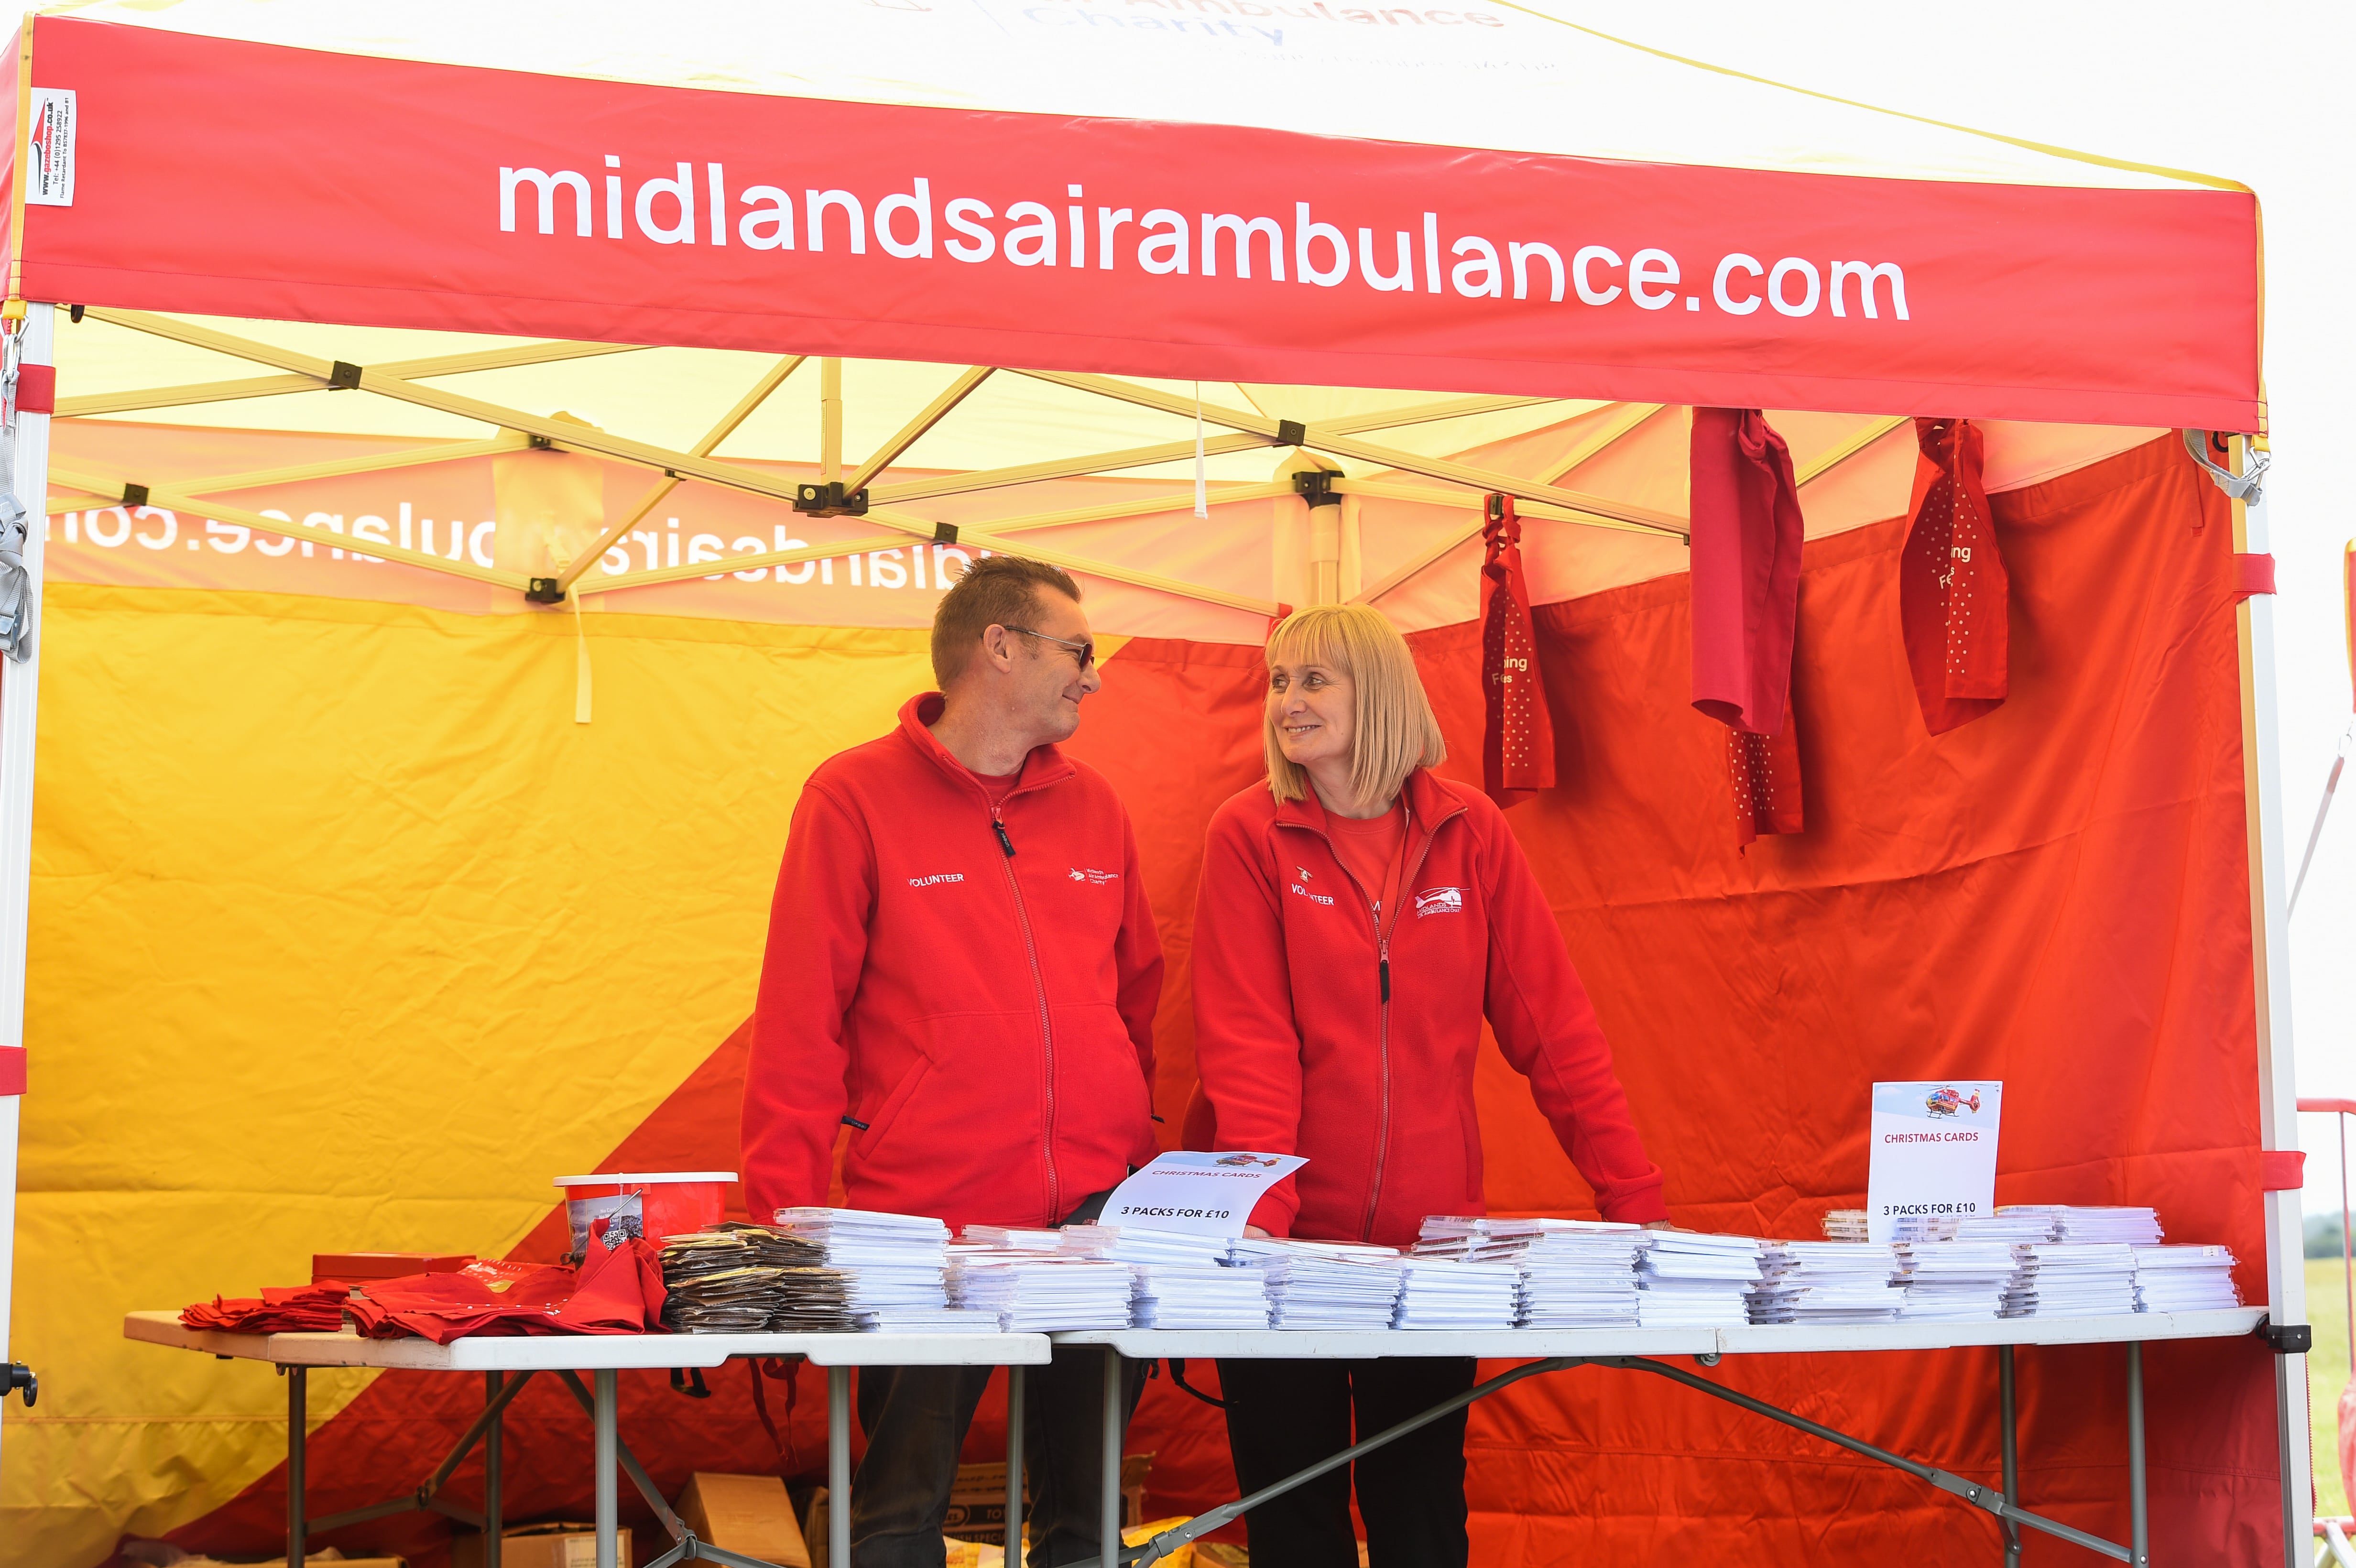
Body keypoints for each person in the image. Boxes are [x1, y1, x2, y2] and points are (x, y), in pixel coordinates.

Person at [1188, 602, 1669, 1568]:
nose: (1288, 701)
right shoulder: (1247, 834)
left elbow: (1555, 1029)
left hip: (1430, 1257)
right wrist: (1263, 1242)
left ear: (1381, 693)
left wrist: (1633, 1202)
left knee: (1420, 1524)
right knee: (1297, 1533)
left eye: (1314, 679)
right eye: (1279, 681)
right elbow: (1249, 1047)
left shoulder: (1470, 831)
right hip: (1288, 1252)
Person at [741, 555, 1162, 1568]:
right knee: (895, 1520)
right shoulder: (851, 795)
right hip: (920, 1225)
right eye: (1078, 651)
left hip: (1092, 1222)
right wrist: (779, 1238)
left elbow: (1137, 993)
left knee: (1085, 1526)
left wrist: (1142, 1165)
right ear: (1000, 646)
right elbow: (800, 1022)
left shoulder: (1097, 806)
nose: (1093, 677)